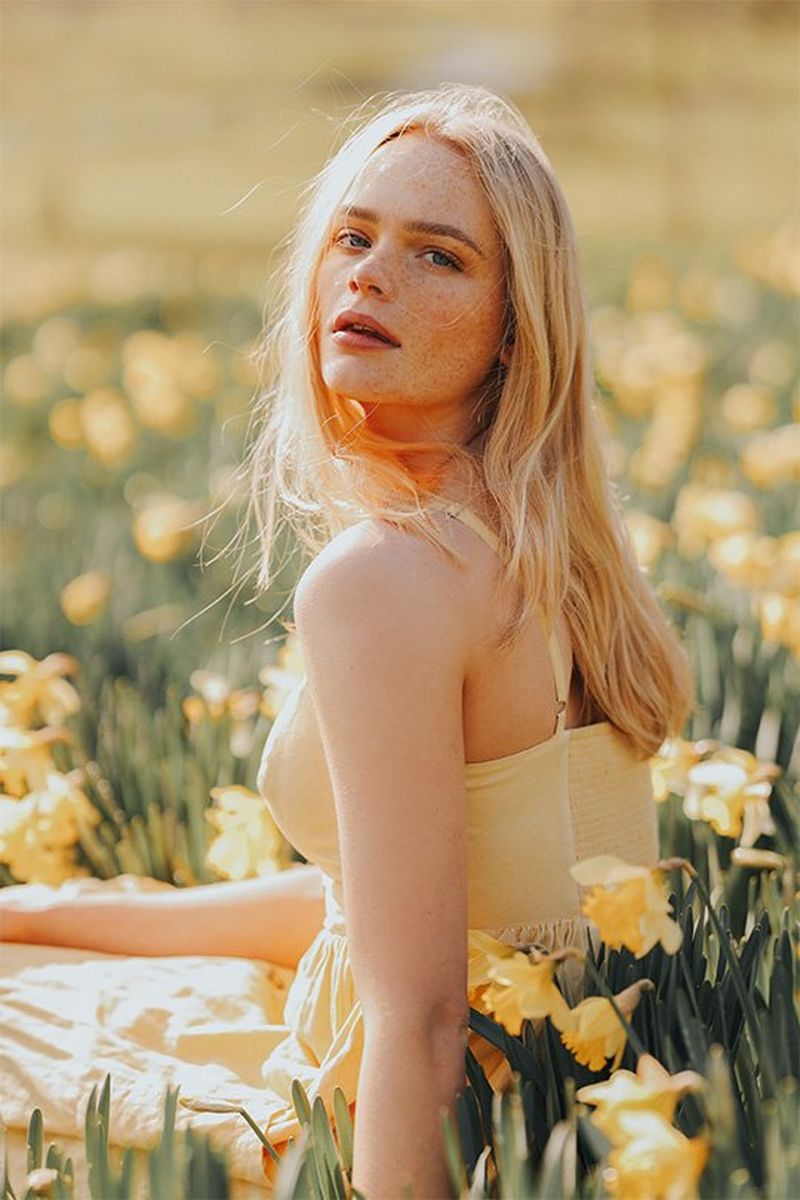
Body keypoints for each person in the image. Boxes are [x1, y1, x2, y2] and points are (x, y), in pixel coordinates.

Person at [0, 85, 693, 1198]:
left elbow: (414, 1022)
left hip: (376, 1131)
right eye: (353, 237)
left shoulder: (385, 583)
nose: (369, 274)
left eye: (438, 257)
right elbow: (386, 919)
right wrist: (46, 910)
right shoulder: (542, 546)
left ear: (518, 328)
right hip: (550, 1111)